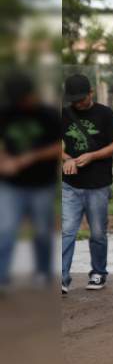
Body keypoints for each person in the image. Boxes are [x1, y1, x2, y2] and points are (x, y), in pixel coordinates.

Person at [61, 74, 113, 293]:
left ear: (91, 93)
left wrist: (93, 156)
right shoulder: (64, 113)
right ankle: (62, 276)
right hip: (70, 184)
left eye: (81, 99)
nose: (77, 103)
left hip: (98, 184)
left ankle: (98, 272)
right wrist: (66, 158)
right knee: (67, 230)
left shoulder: (105, 114)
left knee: (97, 232)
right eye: (73, 100)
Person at [0, 72, 60, 291]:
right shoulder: (6, 113)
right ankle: (2, 278)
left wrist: (30, 157)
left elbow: (60, 146)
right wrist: (4, 160)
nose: (23, 103)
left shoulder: (48, 115)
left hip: (41, 185)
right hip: (10, 185)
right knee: (5, 230)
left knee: (43, 231)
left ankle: (43, 272)